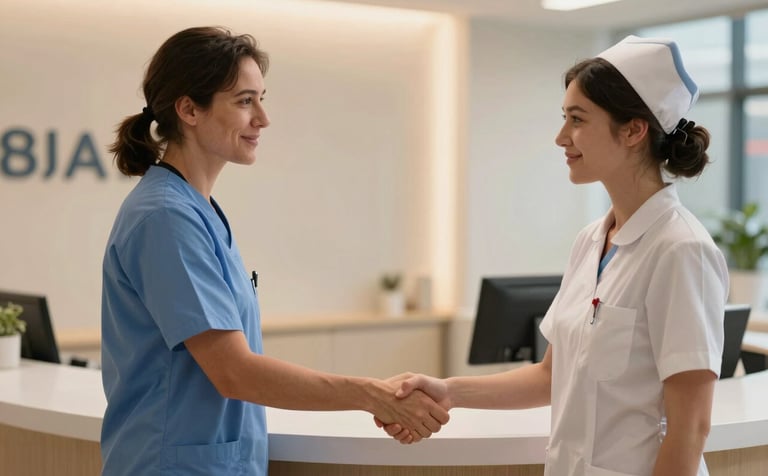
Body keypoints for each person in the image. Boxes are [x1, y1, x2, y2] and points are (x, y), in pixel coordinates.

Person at [100, 26, 448, 476]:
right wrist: (371, 394)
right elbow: (234, 372)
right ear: (188, 109)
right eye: (245, 101)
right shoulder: (166, 218)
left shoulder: (193, 208)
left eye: (261, 98)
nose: (263, 118)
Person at [379, 36, 729, 476]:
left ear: (634, 130)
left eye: (577, 119)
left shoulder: (682, 250)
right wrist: (448, 390)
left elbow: (691, 427)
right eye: (564, 118)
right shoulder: (590, 241)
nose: (561, 137)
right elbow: (552, 375)